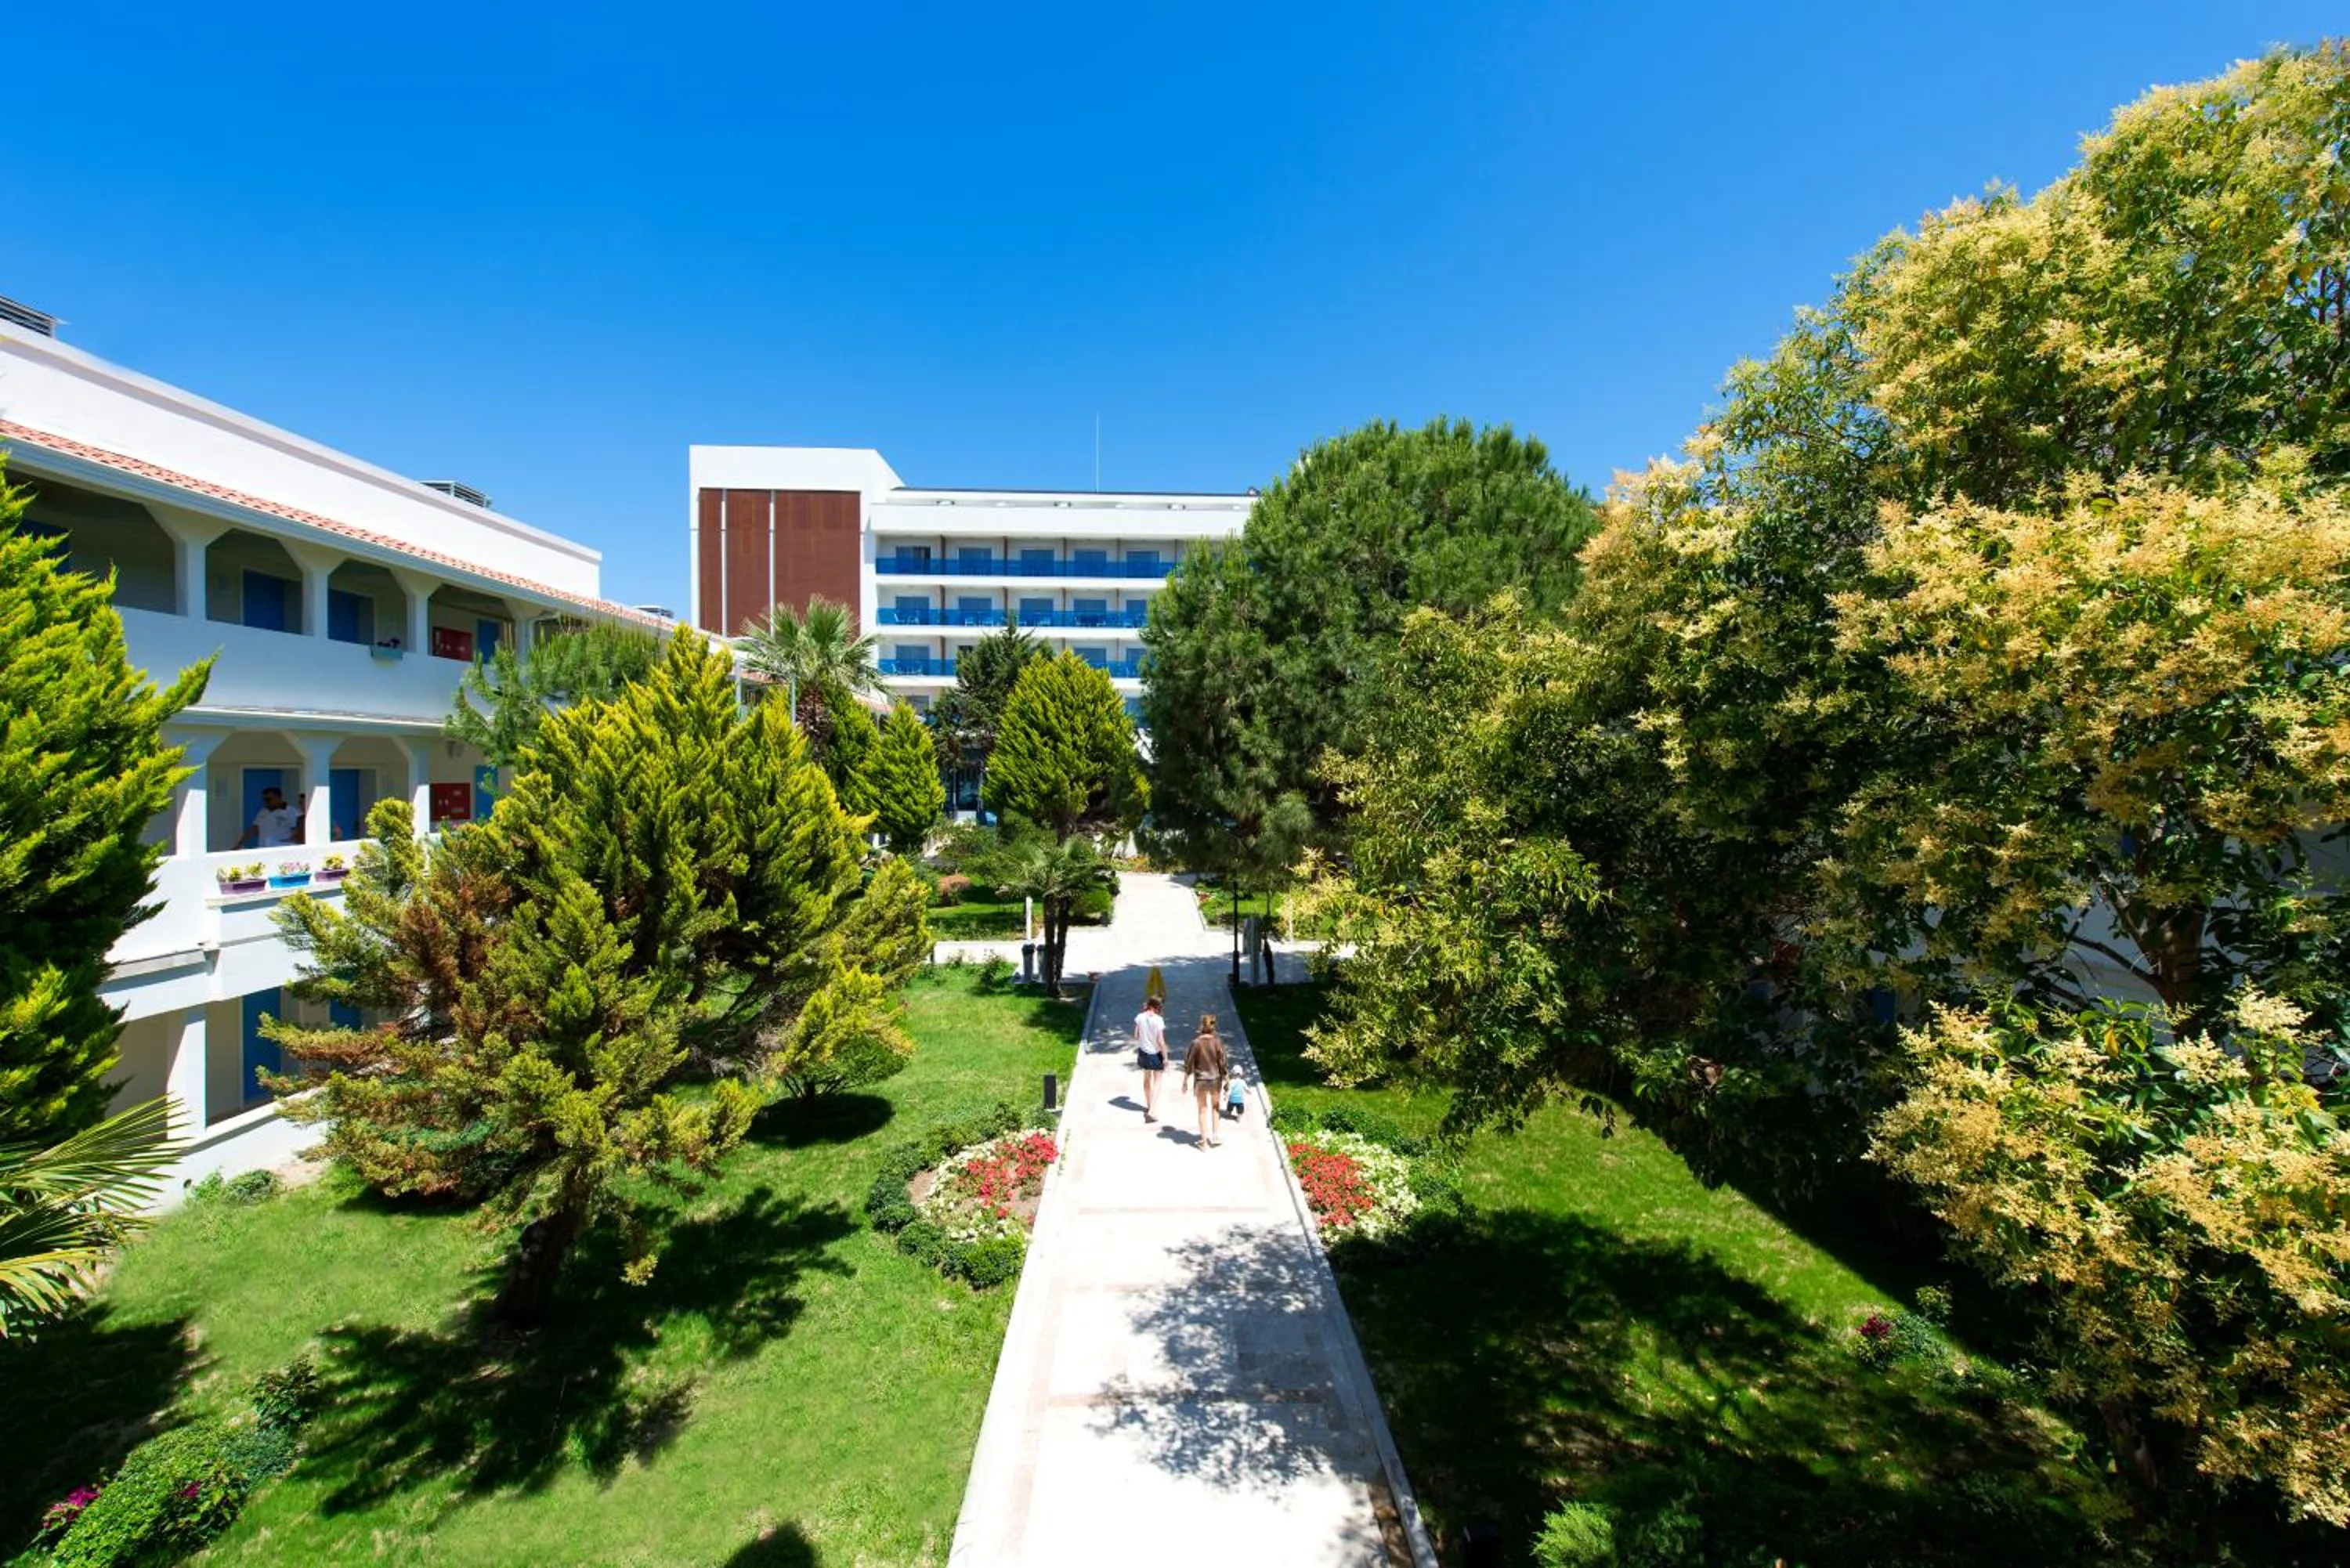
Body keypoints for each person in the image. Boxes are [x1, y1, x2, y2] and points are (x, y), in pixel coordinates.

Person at [1183, 1013, 1231, 1150]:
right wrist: (1227, 1078)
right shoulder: (1217, 1042)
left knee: (1202, 1110)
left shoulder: (1196, 1043)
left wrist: (1185, 1081)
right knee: (1215, 1107)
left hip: (1200, 1081)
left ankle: (1203, 1142)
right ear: (1214, 1026)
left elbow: (1189, 1063)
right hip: (1215, 1080)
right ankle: (1215, 1136)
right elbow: (1223, 1063)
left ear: (1201, 1025)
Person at [1133, 995, 1168, 1123]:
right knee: (1157, 1081)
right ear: (1157, 1007)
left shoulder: (1139, 1017)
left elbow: (1136, 1036)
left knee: (1147, 1079)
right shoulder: (1159, 1020)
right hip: (1155, 1054)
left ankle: (1149, 1106)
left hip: (1143, 1052)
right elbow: (1161, 1041)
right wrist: (1166, 1057)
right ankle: (1152, 1110)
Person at [235, 786, 302, 850]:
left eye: (269, 799)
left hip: (282, 849)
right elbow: (254, 830)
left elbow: (300, 832)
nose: (266, 802)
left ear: (279, 798)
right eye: (264, 800)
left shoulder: (293, 812)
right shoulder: (263, 812)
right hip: (264, 848)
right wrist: (239, 845)